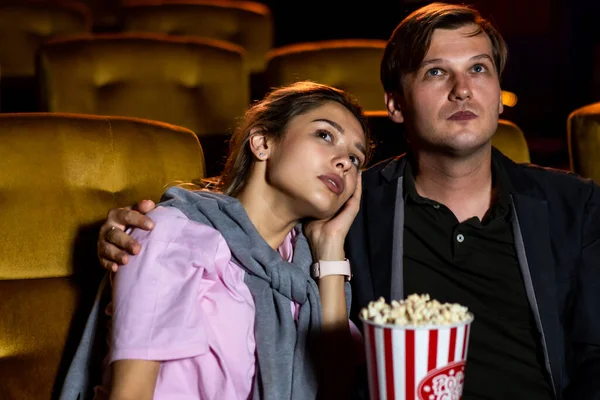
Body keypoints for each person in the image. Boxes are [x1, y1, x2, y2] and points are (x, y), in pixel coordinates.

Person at [96, 3, 600, 399]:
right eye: (435, 73)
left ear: (498, 88)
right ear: (396, 105)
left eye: (479, 69)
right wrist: (139, 229)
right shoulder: (347, 209)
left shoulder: (576, 207)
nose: (463, 89)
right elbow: (240, 228)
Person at [60, 81, 373, 400]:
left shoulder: (303, 267)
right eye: (325, 135)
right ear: (263, 142)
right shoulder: (173, 233)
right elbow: (130, 394)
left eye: (355, 159)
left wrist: (331, 245)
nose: (344, 162)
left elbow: (335, 388)